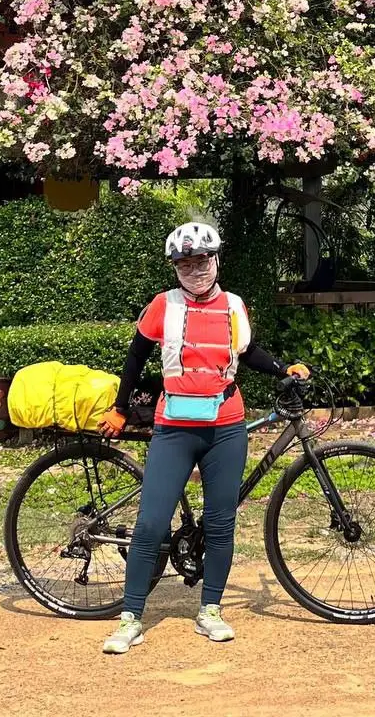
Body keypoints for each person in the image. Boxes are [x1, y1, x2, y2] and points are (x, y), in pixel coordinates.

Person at [97, 221, 310, 656]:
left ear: (217, 260)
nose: (196, 269)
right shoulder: (163, 306)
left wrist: (283, 368)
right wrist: (119, 407)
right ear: (176, 267)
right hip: (174, 427)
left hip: (226, 426)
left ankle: (210, 609)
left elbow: (248, 352)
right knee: (152, 523)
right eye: (186, 263)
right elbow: (136, 356)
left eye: (203, 260)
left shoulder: (234, 306)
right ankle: (130, 618)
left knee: (220, 523)